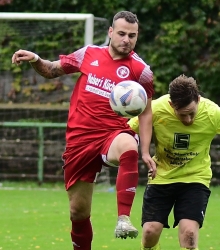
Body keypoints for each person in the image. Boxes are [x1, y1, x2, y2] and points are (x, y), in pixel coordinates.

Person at [12, 11, 155, 250]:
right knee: (78, 212)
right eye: (121, 33)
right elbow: (52, 69)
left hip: (113, 135)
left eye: (132, 35)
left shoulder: (141, 71)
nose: (126, 40)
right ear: (110, 32)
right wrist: (36, 59)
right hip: (80, 141)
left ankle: (123, 219)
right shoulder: (89, 54)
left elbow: (147, 112)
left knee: (129, 145)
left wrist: (146, 152)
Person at [128, 74, 220, 250]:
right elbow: (127, 130)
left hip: (195, 178)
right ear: (171, 105)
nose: (188, 120)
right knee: (149, 233)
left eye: (192, 114)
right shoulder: (155, 110)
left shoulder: (213, 113)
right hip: (161, 177)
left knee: (189, 235)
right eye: (182, 115)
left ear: (198, 99)